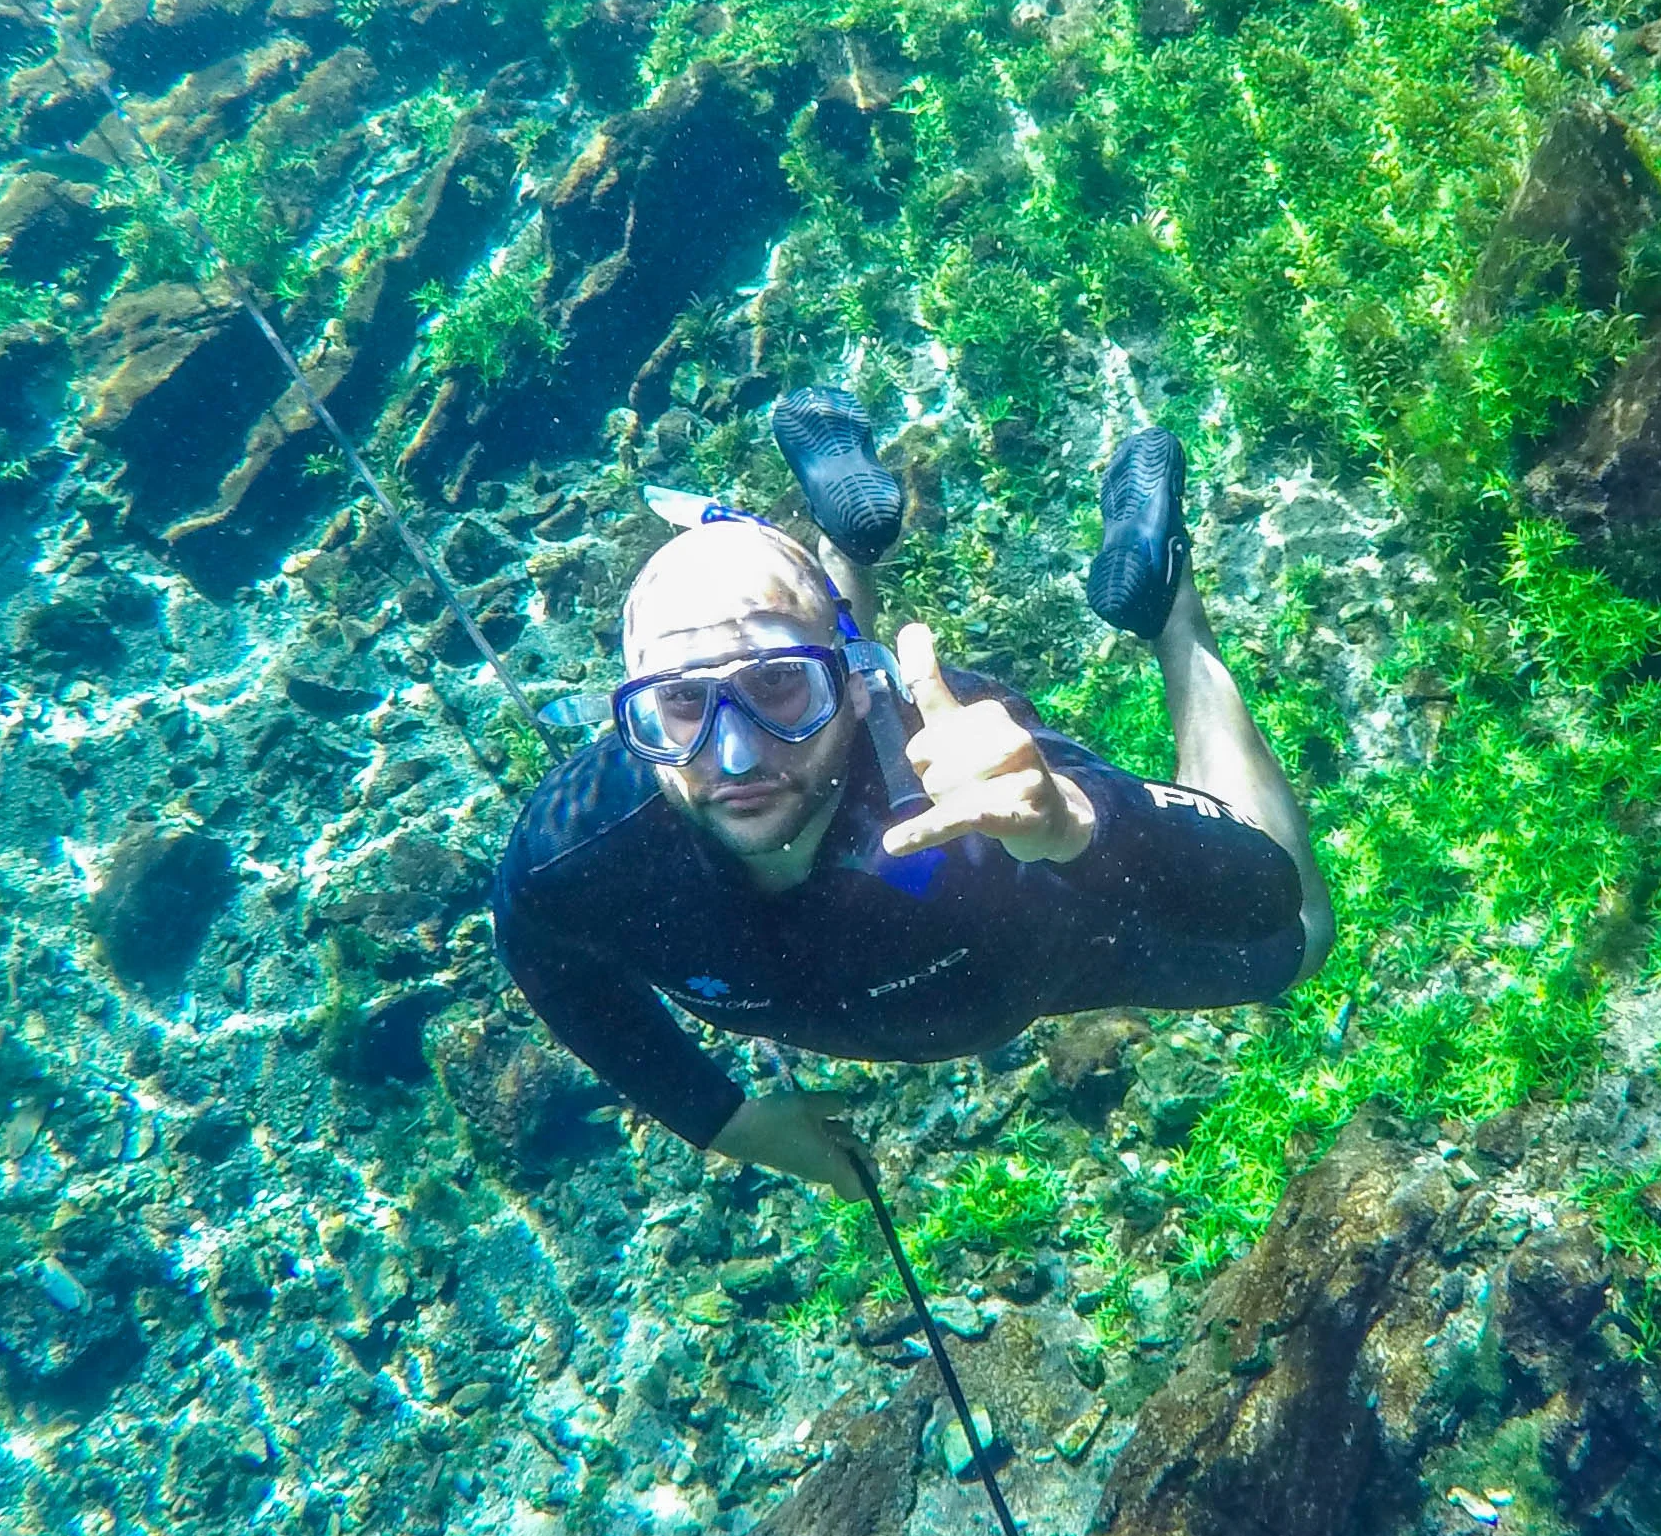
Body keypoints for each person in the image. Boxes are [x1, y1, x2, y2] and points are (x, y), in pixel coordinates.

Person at [487, 390, 1336, 1194]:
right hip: (968, 966)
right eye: (681, 703)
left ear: (857, 687)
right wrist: (724, 1120)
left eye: (781, 687)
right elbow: (545, 953)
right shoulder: (580, 853)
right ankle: (840, 546)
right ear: (631, 712)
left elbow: (1266, 895)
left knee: (1301, 942)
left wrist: (1080, 825)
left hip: (1058, 953)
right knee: (805, 698)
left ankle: (1171, 610)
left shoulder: (969, 788)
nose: (737, 756)